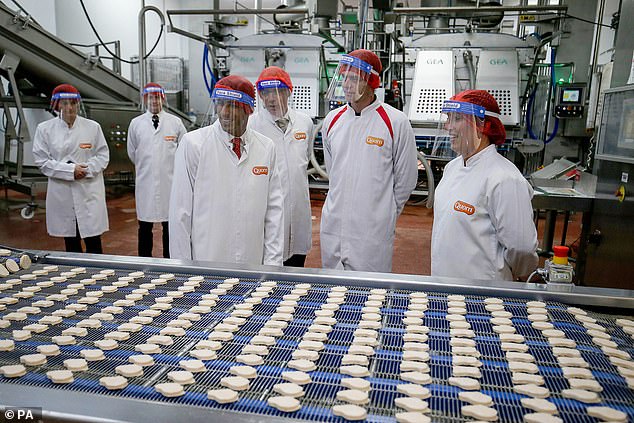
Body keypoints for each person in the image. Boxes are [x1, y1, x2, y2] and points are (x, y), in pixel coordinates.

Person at [169, 75, 284, 265]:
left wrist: (272, 265)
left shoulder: (266, 148)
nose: (224, 112)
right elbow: (180, 214)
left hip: (252, 262)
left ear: (249, 109)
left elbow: (274, 213)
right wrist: (183, 270)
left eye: (232, 106)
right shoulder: (194, 144)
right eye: (220, 104)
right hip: (206, 263)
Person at [320, 49, 418, 273]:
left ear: (372, 81)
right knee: (332, 295)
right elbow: (334, 172)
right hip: (333, 225)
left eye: (353, 78)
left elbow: (407, 179)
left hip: (371, 231)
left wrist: (384, 212)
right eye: (344, 77)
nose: (346, 84)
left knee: (369, 297)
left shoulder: (395, 122)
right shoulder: (332, 121)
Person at [431, 89, 538, 281]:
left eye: (457, 119)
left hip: (484, 294)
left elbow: (522, 248)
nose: (448, 126)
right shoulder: (452, 168)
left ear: (483, 125)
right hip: (444, 284)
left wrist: (507, 274)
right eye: (448, 118)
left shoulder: (504, 178)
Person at [248, 66, 314, 267]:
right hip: (267, 210)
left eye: (276, 92)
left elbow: (306, 157)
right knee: (269, 267)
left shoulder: (304, 123)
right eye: (265, 93)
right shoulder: (251, 125)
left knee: (296, 265)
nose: (270, 99)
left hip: (299, 211)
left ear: (288, 92)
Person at [32, 83, 109, 254]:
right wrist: (70, 171)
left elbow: (103, 156)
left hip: (89, 191)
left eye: (73, 103)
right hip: (63, 192)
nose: (69, 108)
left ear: (78, 104)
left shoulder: (92, 127)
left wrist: (86, 170)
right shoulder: (45, 129)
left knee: (94, 241)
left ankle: (99, 276)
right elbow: (42, 161)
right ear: (57, 105)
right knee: (72, 242)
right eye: (64, 103)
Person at [127, 82, 187, 258]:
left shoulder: (175, 123)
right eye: (150, 97)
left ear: (163, 99)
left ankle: (170, 262)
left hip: (170, 183)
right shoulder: (135, 124)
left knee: (170, 227)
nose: (154, 101)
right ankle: (144, 263)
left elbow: (184, 149)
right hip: (145, 184)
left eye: (157, 97)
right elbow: (132, 152)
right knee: (144, 227)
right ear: (145, 100)